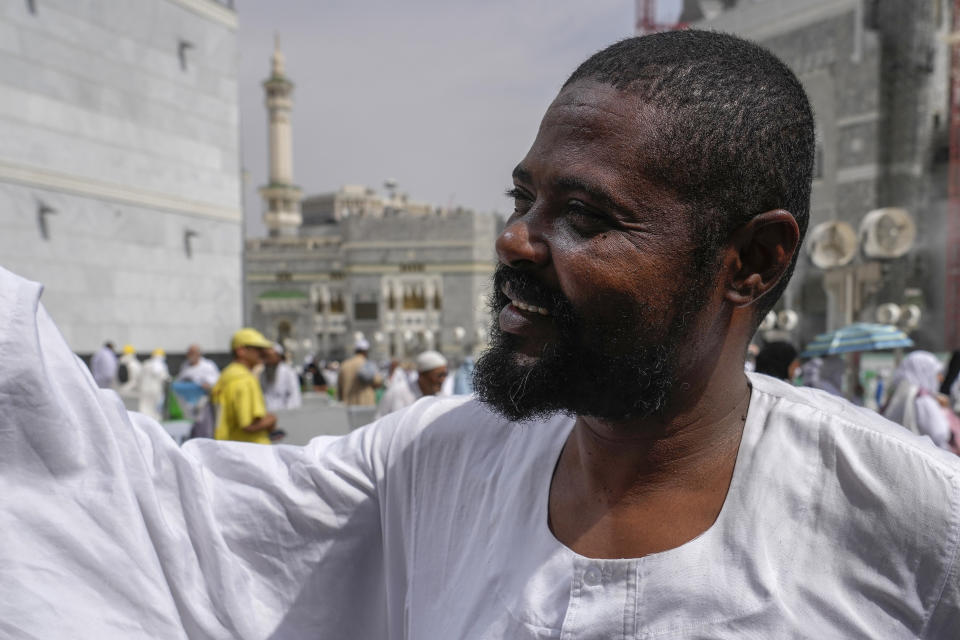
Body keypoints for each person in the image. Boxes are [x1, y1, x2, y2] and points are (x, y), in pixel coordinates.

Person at [1, 31, 958, 638]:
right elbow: (143, 505)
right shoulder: (433, 465)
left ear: (749, 260)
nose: (515, 239)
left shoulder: (915, 526)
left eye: (584, 215)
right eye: (522, 197)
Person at [210, 328, 278, 445]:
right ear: (241, 350)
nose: (263, 353)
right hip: (251, 452)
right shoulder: (245, 379)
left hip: (229, 447)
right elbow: (248, 425)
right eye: (258, 349)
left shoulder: (226, 375)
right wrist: (271, 420)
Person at [882, 350, 953, 450]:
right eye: (936, 373)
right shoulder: (922, 399)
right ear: (925, 372)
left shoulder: (903, 394)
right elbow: (940, 433)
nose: (940, 378)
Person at [375, 350, 448, 418]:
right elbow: (378, 423)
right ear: (421, 376)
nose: (443, 379)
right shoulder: (396, 393)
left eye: (445, 374)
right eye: (439, 375)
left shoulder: (441, 397)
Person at [337, 338, 382, 406]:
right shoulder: (367, 364)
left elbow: (340, 388)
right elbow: (378, 382)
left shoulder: (344, 365)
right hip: (366, 405)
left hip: (349, 406)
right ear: (366, 351)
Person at [261, 343, 302, 411]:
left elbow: (294, 396)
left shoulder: (288, 372)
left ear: (278, 357)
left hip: (285, 412)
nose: (267, 360)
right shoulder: (263, 373)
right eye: (265, 357)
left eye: (269, 356)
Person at [137, 348, 170, 421]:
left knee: (144, 408)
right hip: (156, 390)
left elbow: (139, 377)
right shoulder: (162, 365)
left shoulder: (146, 363)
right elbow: (166, 378)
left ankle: (143, 422)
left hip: (144, 389)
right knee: (155, 411)